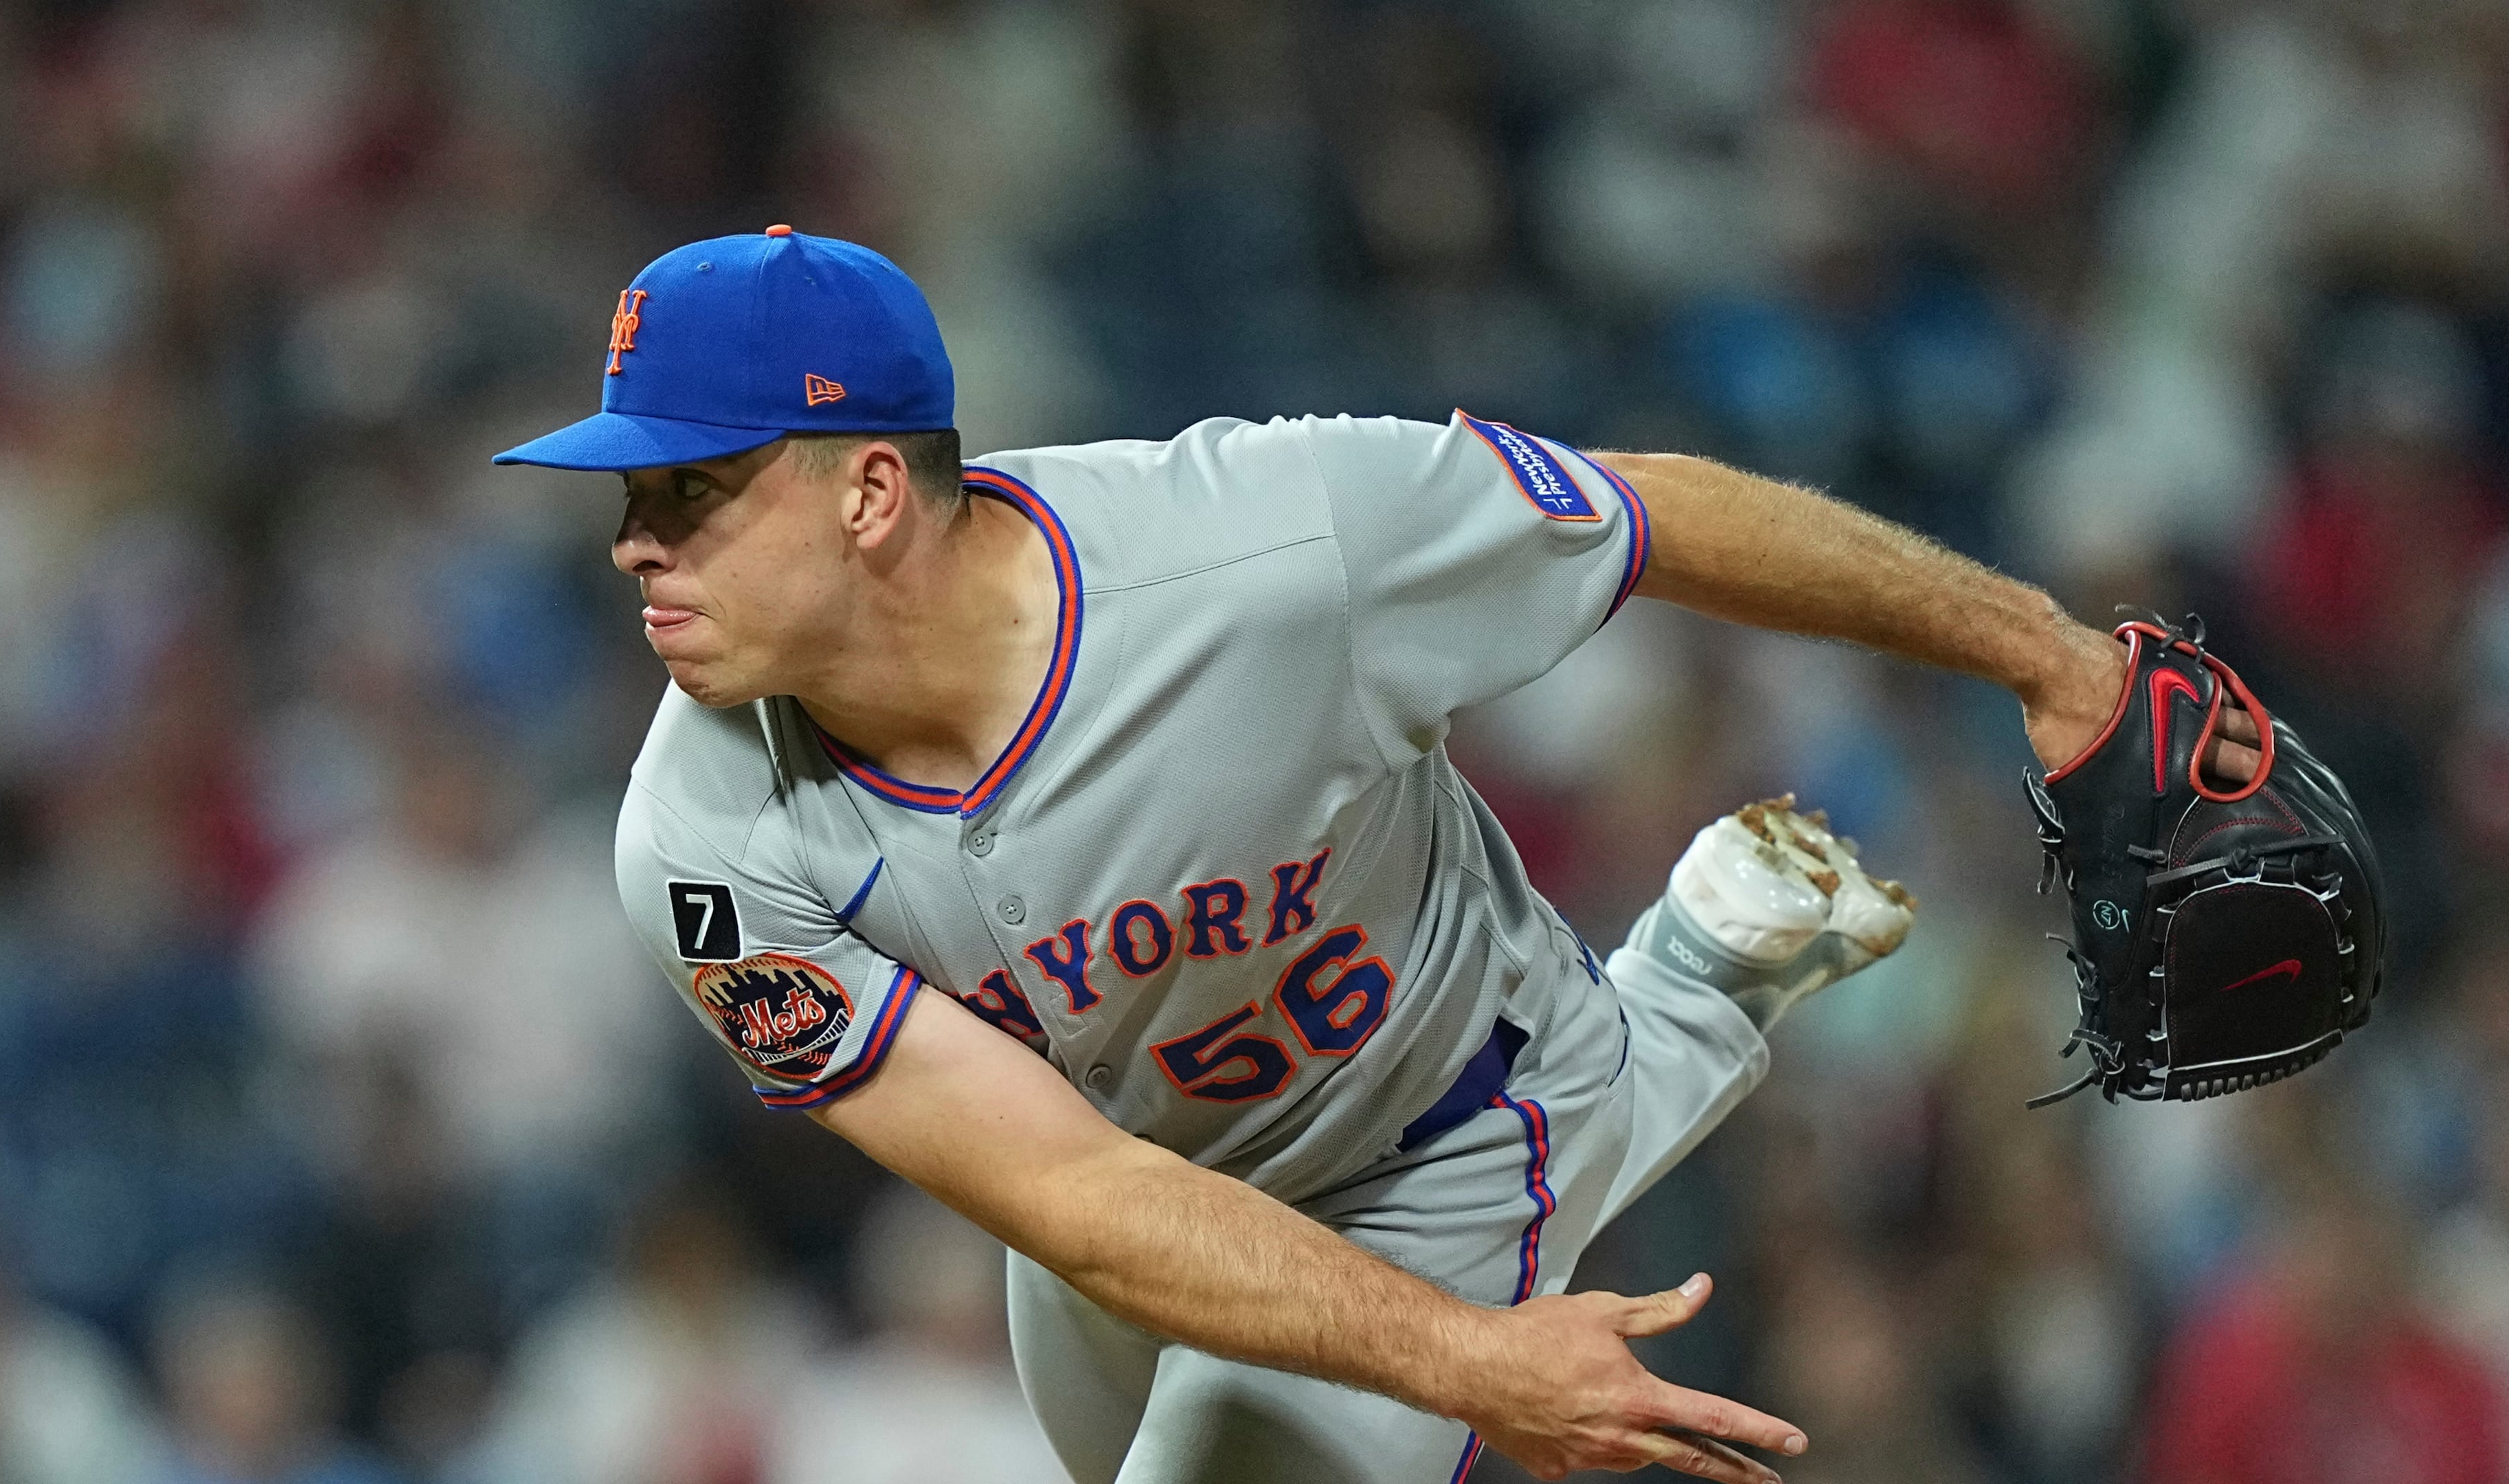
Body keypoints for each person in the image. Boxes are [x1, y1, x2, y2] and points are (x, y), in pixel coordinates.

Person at [491, 227, 2262, 1483]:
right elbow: (1082, 1206)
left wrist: (2059, 661)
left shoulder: (1272, 548)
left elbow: (1654, 515)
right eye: (632, 497)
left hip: (1433, 1131)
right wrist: (1479, 1373)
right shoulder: (702, 844)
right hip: (1135, 1201)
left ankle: (1656, 1023)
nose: (638, 543)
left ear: (870, 494)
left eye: (690, 490)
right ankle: (1702, 975)